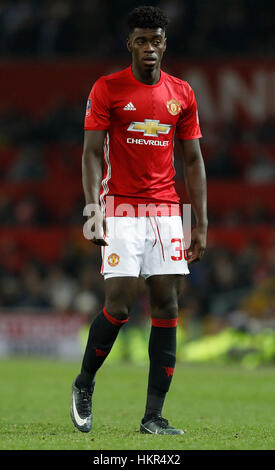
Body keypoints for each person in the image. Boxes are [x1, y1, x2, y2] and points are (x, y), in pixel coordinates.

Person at [70, 5, 207, 435]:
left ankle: (153, 417)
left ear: (166, 43)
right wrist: (93, 207)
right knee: (121, 304)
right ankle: (84, 383)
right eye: (142, 40)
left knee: (168, 305)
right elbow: (92, 153)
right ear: (129, 43)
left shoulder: (181, 93)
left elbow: (193, 159)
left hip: (166, 210)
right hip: (120, 207)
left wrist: (199, 223)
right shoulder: (107, 89)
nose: (150, 48)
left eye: (157, 40)